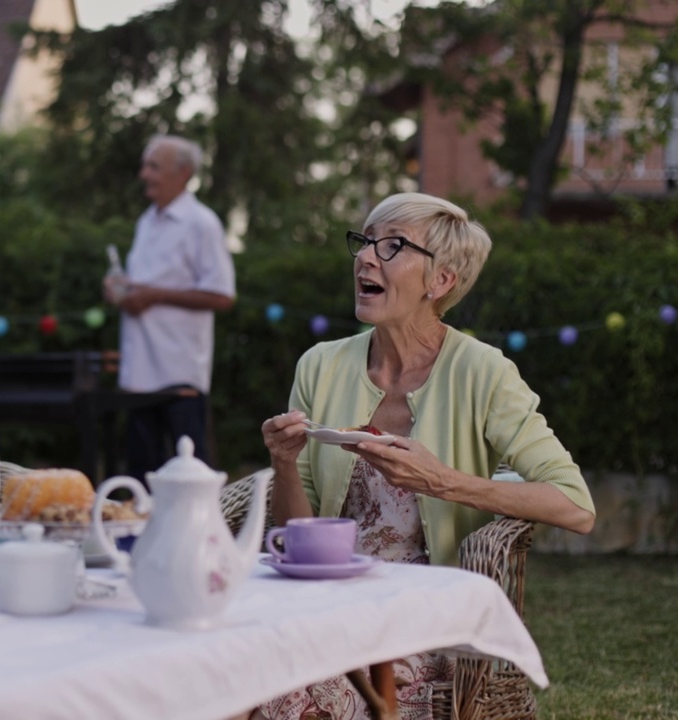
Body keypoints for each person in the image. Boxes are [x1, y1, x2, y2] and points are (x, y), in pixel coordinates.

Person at [253, 193, 596, 720]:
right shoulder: (320, 366)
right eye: (365, 243)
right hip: (322, 604)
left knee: (282, 691)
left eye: (392, 247)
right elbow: (299, 534)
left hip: (420, 620)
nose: (366, 258)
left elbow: (576, 506)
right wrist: (282, 461)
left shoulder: (483, 371)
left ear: (440, 283)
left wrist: (443, 481)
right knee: (223, 673)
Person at [106, 134, 236, 478]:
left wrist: (152, 296)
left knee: (190, 481)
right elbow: (143, 285)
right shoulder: (146, 221)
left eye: (153, 167)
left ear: (184, 174)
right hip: (139, 375)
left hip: (180, 376)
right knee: (140, 479)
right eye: (144, 166)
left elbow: (223, 296)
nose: (144, 175)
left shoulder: (201, 223)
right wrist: (120, 290)